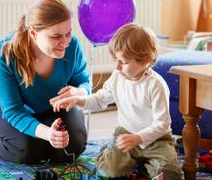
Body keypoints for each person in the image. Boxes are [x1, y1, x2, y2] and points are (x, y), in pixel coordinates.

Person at [50, 23, 183, 179]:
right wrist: (79, 100)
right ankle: (122, 156)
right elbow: (100, 100)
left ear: (145, 61)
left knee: (170, 175)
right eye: (115, 60)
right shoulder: (117, 76)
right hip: (125, 135)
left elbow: (162, 124)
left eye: (124, 62)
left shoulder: (156, 85)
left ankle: (145, 165)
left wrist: (139, 138)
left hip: (157, 140)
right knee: (108, 171)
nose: (117, 67)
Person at [0, 0, 90, 164]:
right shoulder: (4, 52)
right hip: (6, 108)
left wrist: (80, 92)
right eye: (56, 36)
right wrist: (48, 134)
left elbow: (84, 82)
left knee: (73, 147)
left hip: (51, 107)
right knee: (27, 150)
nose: (65, 42)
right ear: (33, 33)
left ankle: (40, 137)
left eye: (68, 33)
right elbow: (12, 110)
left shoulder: (73, 46)